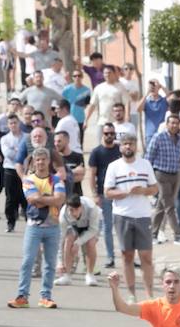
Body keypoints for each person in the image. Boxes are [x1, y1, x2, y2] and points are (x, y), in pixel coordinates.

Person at [7, 148, 67, 309]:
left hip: (53, 226)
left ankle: (46, 296)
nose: (40, 162)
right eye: (37, 160)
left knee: (50, 263)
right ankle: (22, 295)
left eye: (43, 159)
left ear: (49, 162)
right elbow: (32, 199)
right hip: (34, 226)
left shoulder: (57, 180)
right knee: (27, 261)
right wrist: (50, 199)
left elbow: (60, 199)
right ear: (34, 162)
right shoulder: (29, 180)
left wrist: (42, 199)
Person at [104, 132, 157, 299]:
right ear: (120, 147)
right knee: (127, 255)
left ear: (136, 146)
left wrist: (143, 191)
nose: (128, 147)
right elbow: (107, 192)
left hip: (142, 215)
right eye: (125, 144)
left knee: (146, 256)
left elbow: (154, 188)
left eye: (131, 144)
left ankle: (150, 294)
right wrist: (125, 192)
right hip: (122, 215)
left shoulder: (145, 164)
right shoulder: (114, 167)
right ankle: (131, 293)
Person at [147, 113, 180, 244]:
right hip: (160, 174)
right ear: (167, 124)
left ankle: (152, 235)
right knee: (170, 206)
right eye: (172, 123)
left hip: (173, 175)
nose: (175, 125)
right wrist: (147, 176)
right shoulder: (158, 137)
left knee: (161, 206)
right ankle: (178, 235)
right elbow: (149, 156)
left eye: (177, 123)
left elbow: (178, 158)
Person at [88, 121, 122, 269]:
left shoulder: (120, 150)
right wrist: (95, 194)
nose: (109, 136)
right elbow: (92, 174)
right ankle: (110, 257)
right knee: (107, 227)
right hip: (104, 194)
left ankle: (128, 255)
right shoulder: (96, 152)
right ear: (103, 134)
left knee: (122, 227)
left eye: (112, 133)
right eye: (106, 133)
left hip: (120, 194)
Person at [55, 194, 101, 286]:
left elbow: (93, 230)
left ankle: (90, 274)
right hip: (74, 226)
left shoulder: (92, 208)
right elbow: (61, 238)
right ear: (67, 208)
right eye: (71, 210)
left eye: (76, 209)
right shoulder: (63, 215)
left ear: (81, 207)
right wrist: (60, 261)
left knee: (90, 243)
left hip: (90, 227)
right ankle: (67, 275)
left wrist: (78, 243)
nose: (74, 213)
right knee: (68, 240)